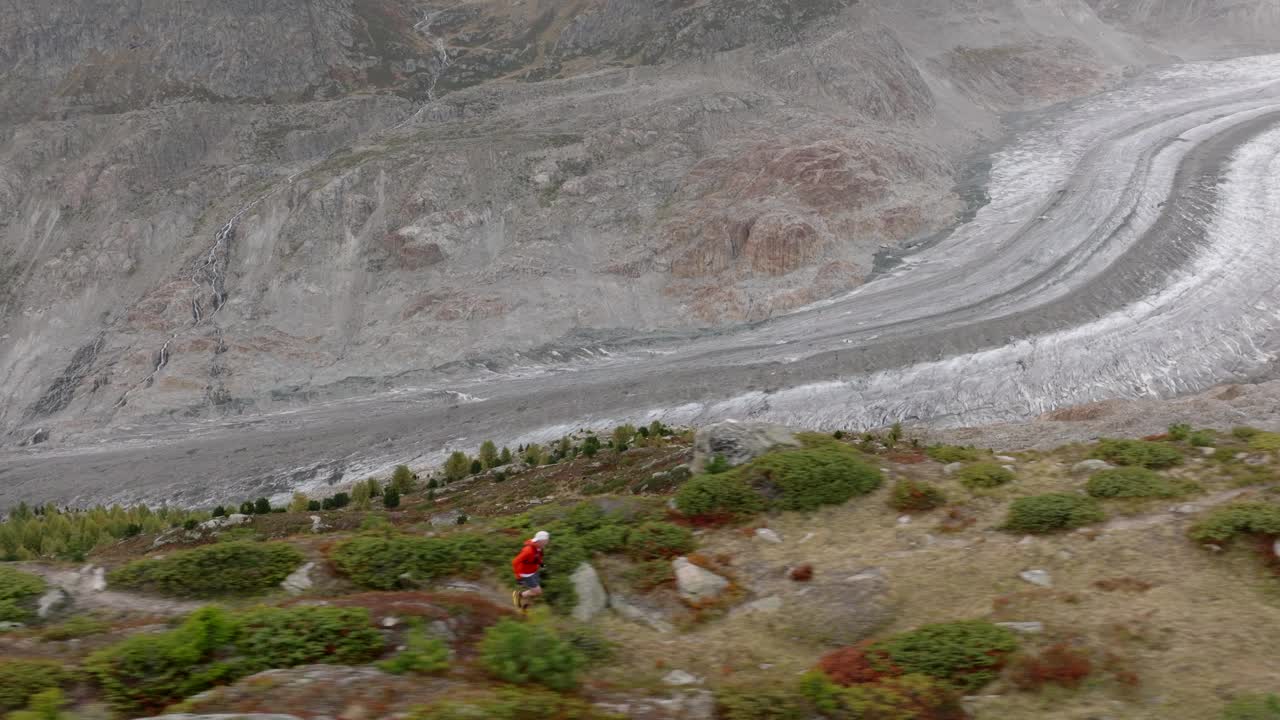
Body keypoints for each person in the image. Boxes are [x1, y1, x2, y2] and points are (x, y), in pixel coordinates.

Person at [511, 530, 549, 612]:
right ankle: (518, 595)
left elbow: (537, 557)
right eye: (546, 540)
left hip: (534, 571)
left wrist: (541, 564)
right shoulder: (528, 550)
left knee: (533, 591)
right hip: (527, 574)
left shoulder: (539, 547)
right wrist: (518, 577)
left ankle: (525, 606)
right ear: (540, 540)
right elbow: (515, 562)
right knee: (538, 592)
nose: (547, 542)